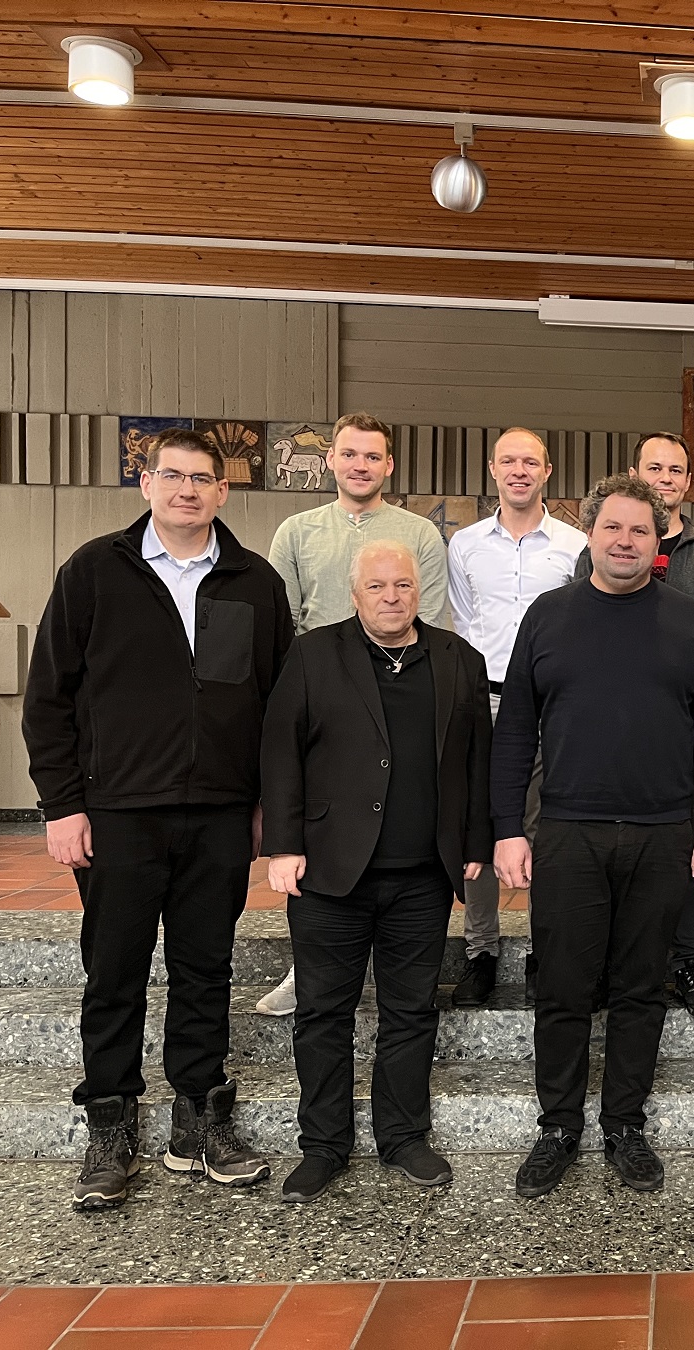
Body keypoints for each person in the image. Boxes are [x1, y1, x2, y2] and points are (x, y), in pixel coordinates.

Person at [24, 427, 293, 1210]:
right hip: (117, 812)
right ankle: (110, 1128)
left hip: (219, 814)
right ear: (145, 484)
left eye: (202, 478)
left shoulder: (254, 581)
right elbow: (47, 698)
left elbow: (278, 708)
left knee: (207, 970)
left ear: (223, 491)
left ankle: (199, 1120)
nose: (186, 489)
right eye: (171, 475)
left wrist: (267, 808)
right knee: (114, 972)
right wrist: (63, 804)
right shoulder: (94, 572)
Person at [495, 475, 694, 1199]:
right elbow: (515, 732)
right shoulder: (548, 616)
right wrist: (507, 830)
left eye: (640, 530)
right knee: (563, 987)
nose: (625, 541)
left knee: (639, 988)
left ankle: (625, 1124)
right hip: (569, 831)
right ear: (591, 534)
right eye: (613, 528)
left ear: (659, 542)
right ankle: (558, 1127)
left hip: (665, 833)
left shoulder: (687, 620)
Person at [260, 540, 493, 1203]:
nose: (392, 597)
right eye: (377, 587)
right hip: (329, 872)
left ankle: (403, 1136)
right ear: (354, 593)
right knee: (322, 1014)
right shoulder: (313, 655)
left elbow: (478, 757)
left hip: (422, 876)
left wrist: (475, 840)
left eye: (403, 585)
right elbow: (279, 752)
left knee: (411, 1012)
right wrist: (282, 845)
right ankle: (323, 1145)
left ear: (420, 590)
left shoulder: (459, 660)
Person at [257, 411, 449, 1018]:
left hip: (399, 693)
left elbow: (429, 618)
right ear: (331, 461)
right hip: (325, 702)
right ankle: (308, 968)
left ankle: (401, 969)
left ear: (389, 465)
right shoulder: (296, 531)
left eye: (372, 456)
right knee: (324, 835)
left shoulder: (419, 533)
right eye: (349, 454)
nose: (360, 465)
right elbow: (282, 623)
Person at [572, 432, 694, 1018]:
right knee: (615, 851)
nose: (664, 478)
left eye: (675, 470)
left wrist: (685, 706)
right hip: (615, 732)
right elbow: (586, 629)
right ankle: (607, 964)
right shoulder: (602, 547)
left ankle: (692, 961)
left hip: (690, 726)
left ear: (688, 482)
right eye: (654, 468)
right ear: (634, 473)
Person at [447, 427, 587, 1009]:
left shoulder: (575, 545)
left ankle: (540, 950)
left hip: (552, 704)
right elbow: (462, 623)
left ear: (547, 471)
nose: (520, 471)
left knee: (544, 828)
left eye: (531, 462)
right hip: (484, 701)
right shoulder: (465, 546)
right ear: (493, 469)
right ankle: (481, 950)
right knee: (483, 824)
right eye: (509, 461)